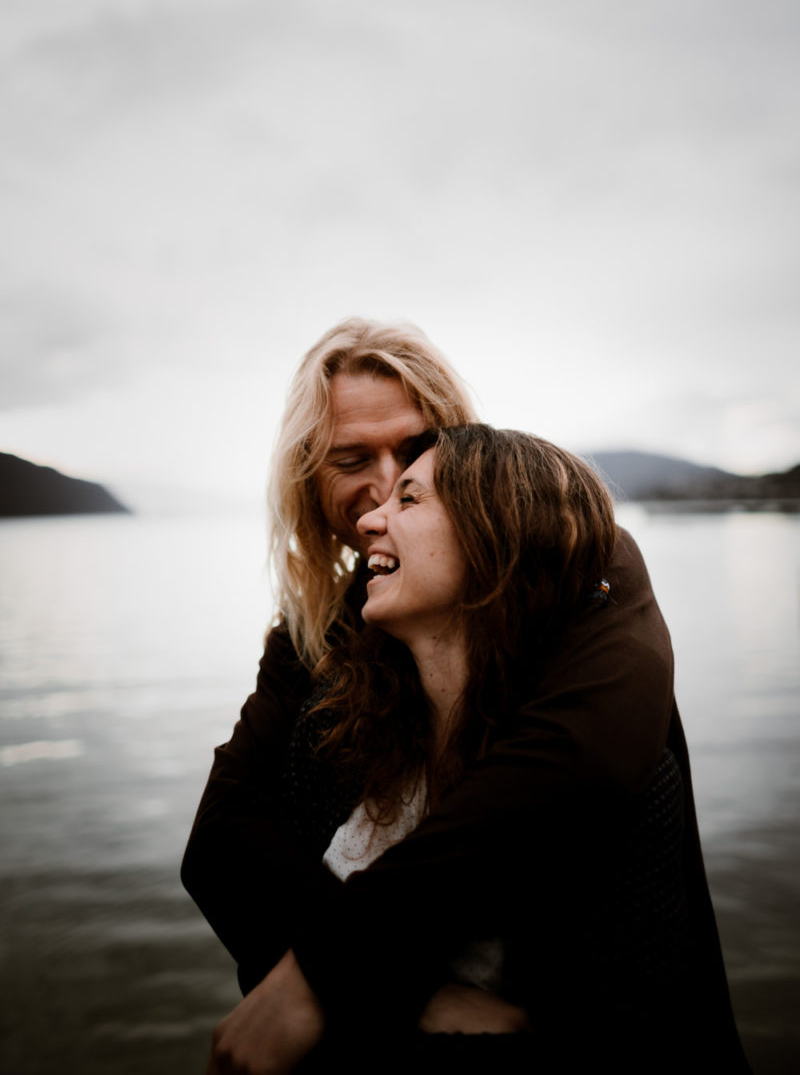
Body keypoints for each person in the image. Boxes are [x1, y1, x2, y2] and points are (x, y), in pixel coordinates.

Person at [182, 318, 749, 1073]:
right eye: (352, 459)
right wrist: (394, 994)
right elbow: (223, 840)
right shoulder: (318, 634)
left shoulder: (584, 563)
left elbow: (580, 759)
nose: (383, 486)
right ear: (310, 484)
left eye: (414, 457)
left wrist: (327, 971)